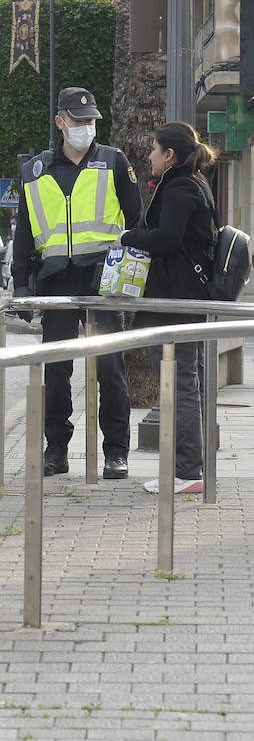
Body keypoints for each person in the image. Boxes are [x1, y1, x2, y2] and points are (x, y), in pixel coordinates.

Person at [11, 86, 142, 479]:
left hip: (103, 279)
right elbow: (23, 232)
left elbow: (137, 224)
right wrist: (20, 284)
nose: (86, 127)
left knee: (111, 370)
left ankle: (116, 453)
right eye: (78, 120)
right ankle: (56, 450)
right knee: (56, 374)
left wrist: (137, 280)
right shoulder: (35, 171)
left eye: (90, 121)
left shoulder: (114, 162)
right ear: (60, 122)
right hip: (56, 283)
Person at [116, 122, 218, 495]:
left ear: (169, 155)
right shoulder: (189, 183)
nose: (150, 156)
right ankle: (185, 470)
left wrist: (128, 237)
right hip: (181, 298)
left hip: (177, 300)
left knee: (181, 386)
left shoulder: (181, 188)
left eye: (154, 149)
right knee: (182, 384)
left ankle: (189, 472)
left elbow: (167, 238)